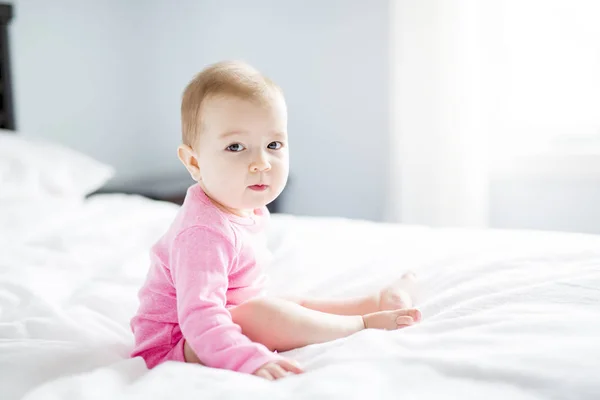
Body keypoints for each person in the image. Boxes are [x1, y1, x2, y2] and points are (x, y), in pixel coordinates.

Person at [130, 61, 421, 381]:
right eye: (236, 147)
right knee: (264, 314)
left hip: (225, 318)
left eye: (273, 145)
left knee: (289, 306)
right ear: (194, 162)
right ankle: (362, 324)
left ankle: (372, 303)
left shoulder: (241, 206)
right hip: (177, 344)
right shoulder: (203, 233)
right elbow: (200, 316)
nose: (261, 163)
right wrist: (247, 359)